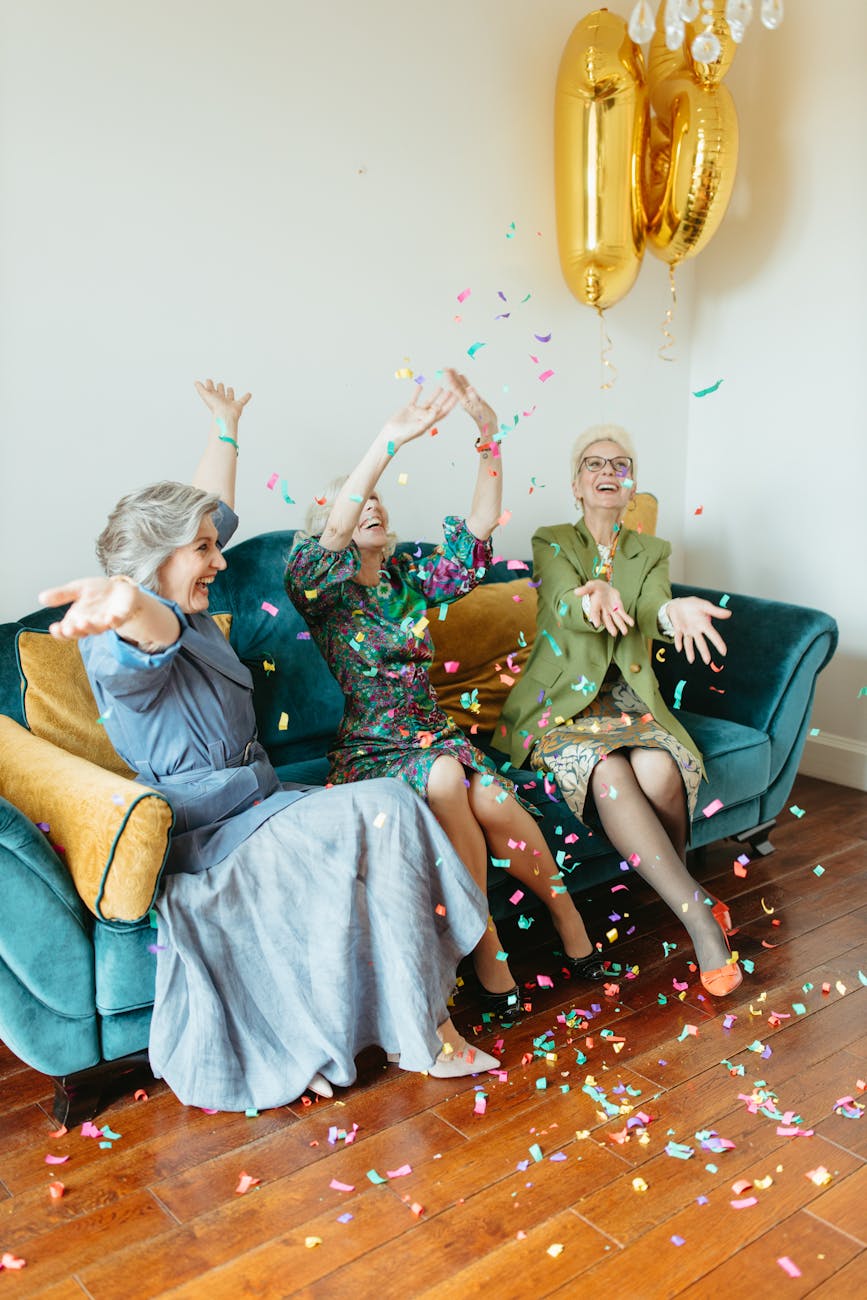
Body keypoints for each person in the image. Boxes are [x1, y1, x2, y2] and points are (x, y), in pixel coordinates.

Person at [38, 379, 500, 1113]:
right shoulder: (125, 639)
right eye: (203, 550)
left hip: (262, 803)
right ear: (152, 565)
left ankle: (410, 1017)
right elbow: (146, 632)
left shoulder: (184, 603)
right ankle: (428, 1030)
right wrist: (123, 604)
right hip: (211, 833)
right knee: (385, 806)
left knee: (384, 815)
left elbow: (204, 512)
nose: (218, 560)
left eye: (214, 547)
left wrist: (226, 430)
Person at [284, 371, 606, 1021]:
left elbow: (481, 525)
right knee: (440, 774)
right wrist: (387, 443)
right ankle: (487, 951)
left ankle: (565, 916)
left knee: (488, 794)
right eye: (351, 502)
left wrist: (488, 434)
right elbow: (336, 525)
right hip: (372, 745)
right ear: (332, 524)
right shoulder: (318, 590)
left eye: (377, 501)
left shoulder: (409, 576)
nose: (368, 505)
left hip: (434, 733)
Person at [493, 424, 742, 998]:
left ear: (632, 486)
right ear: (576, 484)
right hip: (562, 710)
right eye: (594, 464)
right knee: (607, 770)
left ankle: (684, 894)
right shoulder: (552, 540)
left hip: (628, 701)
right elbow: (560, 599)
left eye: (620, 466)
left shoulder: (651, 551)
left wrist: (672, 611)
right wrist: (593, 595)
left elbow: (654, 608)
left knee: (658, 770)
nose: (608, 473)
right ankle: (701, 921)